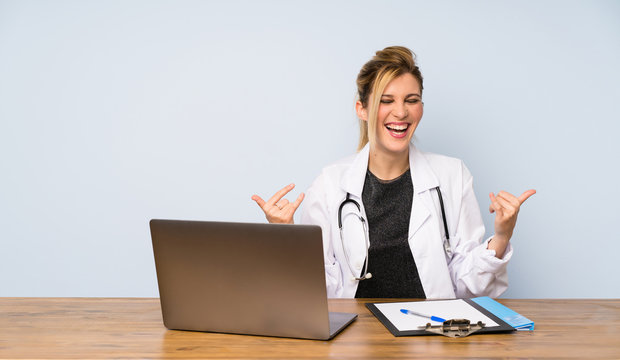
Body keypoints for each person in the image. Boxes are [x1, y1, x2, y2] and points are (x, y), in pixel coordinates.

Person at [252, 46, 535, 299]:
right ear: (361, 109)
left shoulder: (452, 175)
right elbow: (318, 288)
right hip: (355, 337)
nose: (400, 112)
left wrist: (501, 236)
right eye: (386, 101)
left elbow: (470, 287)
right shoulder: (330, 183)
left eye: (411, 100)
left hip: (431, 334)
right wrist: (285, 236)